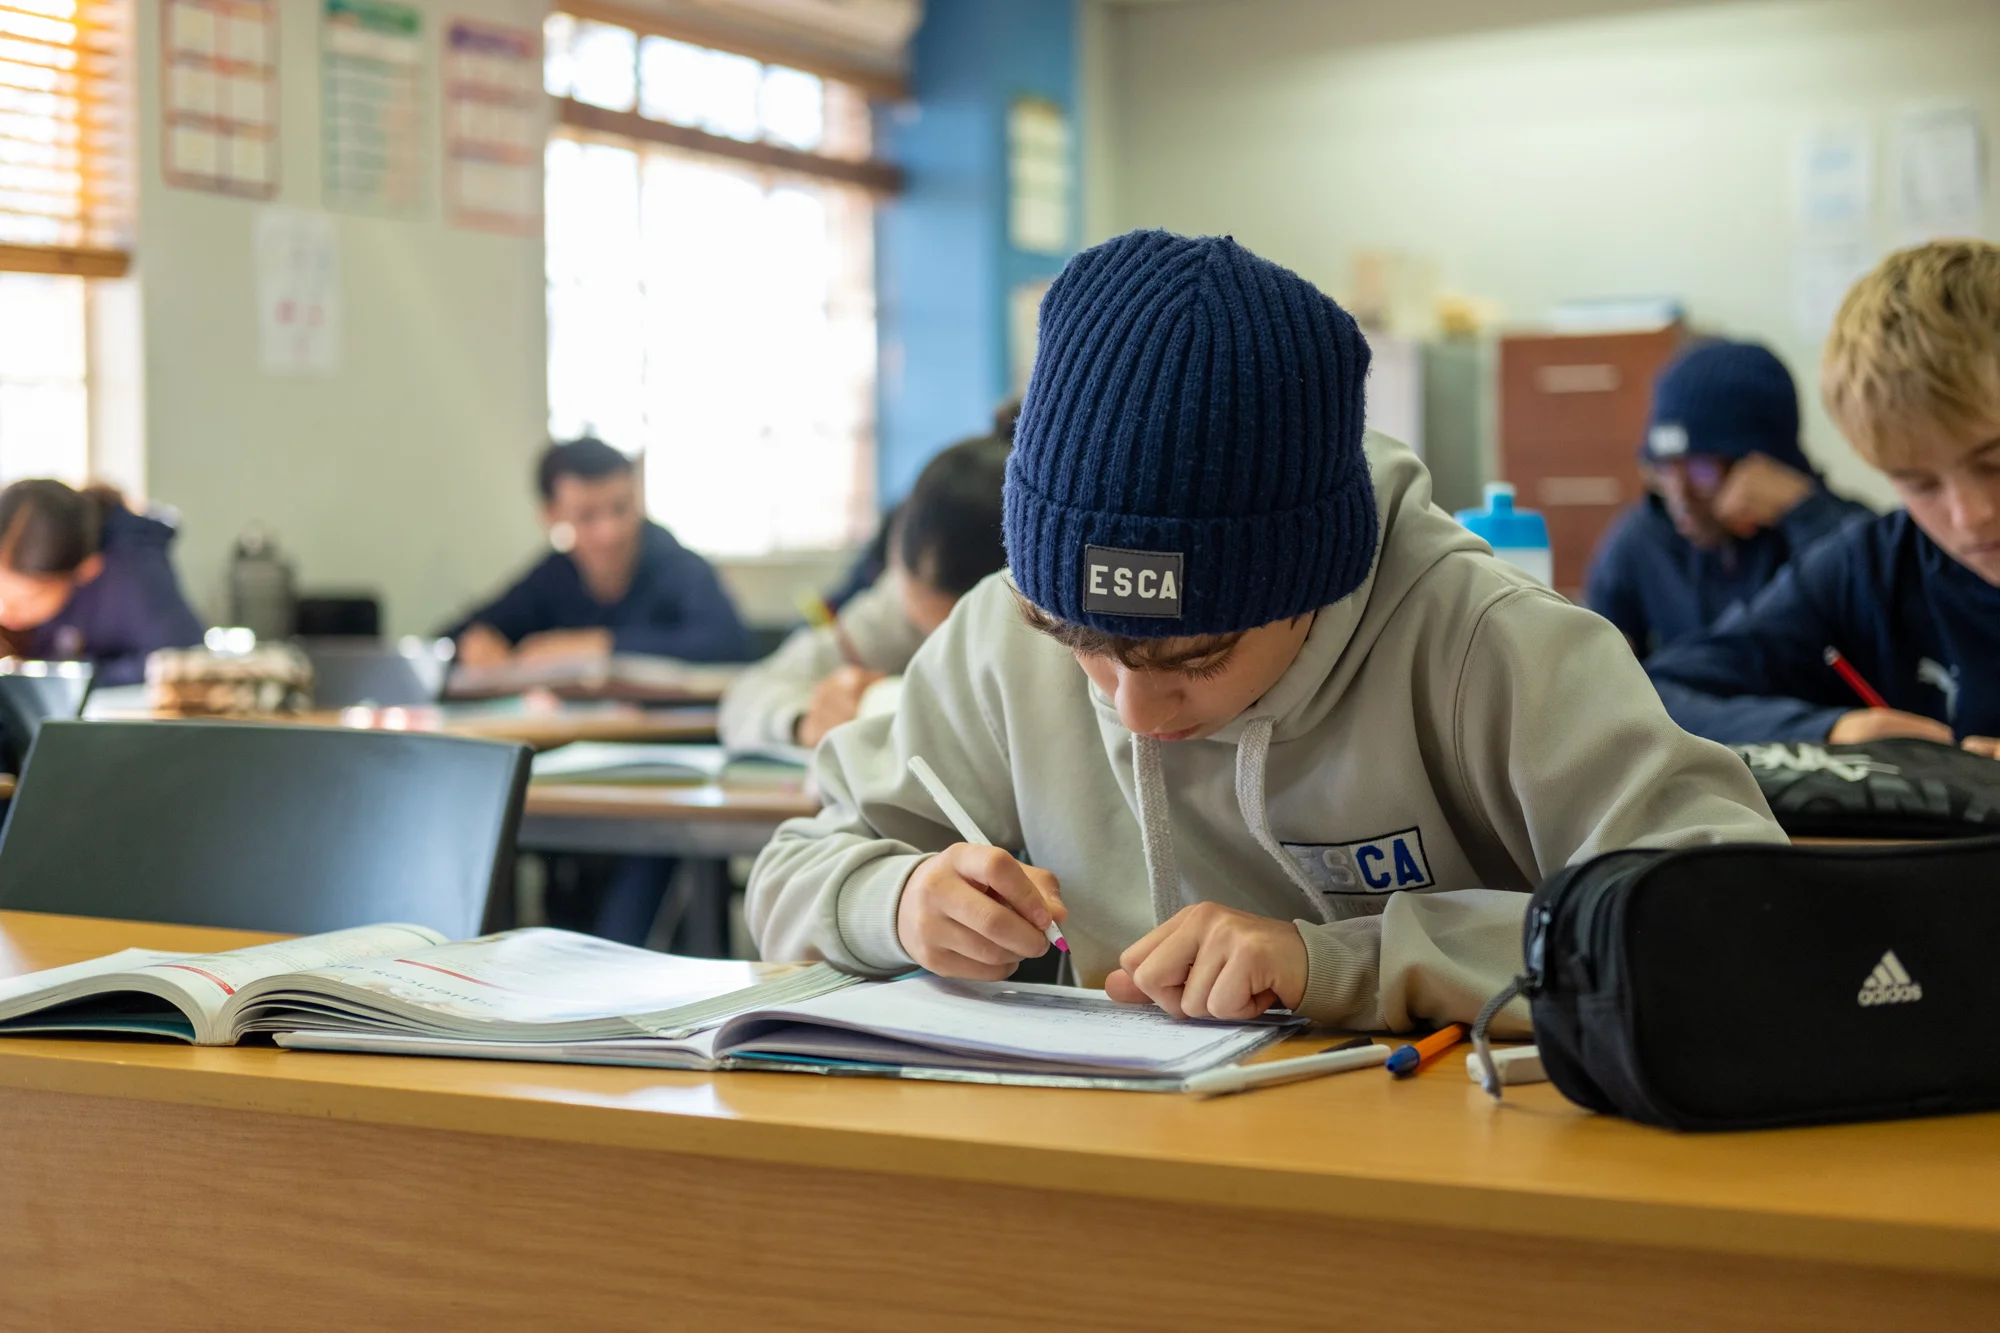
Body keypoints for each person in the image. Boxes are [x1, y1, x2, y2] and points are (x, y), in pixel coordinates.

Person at [746, 230, 1782, 1034]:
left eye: (1194, 657)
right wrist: (896, 899)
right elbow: (790, 872)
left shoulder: (1484, 645)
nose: (1132, 709)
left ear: (1318, 582)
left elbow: (1731, 923)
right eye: (1083, 645)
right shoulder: (1000, 637)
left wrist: (1339, 961)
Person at [1646, 241, 2000, 754]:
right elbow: (1655, 695)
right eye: (1919, 483)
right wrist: (1831, 731)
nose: (1971, 517)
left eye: (1994, 463)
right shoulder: (1869, 571)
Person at [719, 434, 1010, 751]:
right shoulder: (895, 613)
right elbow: (746, 697)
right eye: (923, 628)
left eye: (957, 629)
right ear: (896, 558)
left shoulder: (1056, 629)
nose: (941, 645)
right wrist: (804, 719)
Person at [1583, 341, 1871, 655]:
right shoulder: (1642, 539)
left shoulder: (1843, 535)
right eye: (1664, 469)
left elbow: (1879, 612)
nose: (1679, 497)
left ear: (1765, 464)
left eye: (1701, 470)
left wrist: (1804, 512)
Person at [449, 438, 748, 667]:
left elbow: (730, 644)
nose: (610, 532)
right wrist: (475, 645)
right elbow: (452, 637)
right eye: (587, 516)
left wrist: (600, 644)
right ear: (552, 515)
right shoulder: (554, 577)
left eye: (621, 508)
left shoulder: (678, 566)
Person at [0, 480, 203, 685]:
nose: (4, 612)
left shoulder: (132, 575)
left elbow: (183, 657)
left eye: (28, 599)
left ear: (87, 569)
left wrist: (78, 680)